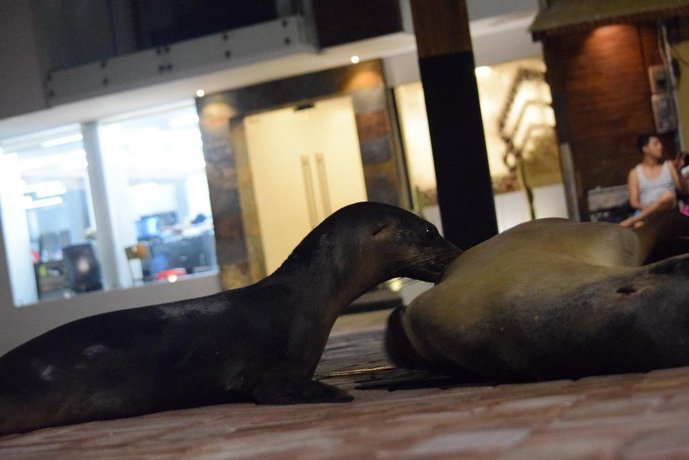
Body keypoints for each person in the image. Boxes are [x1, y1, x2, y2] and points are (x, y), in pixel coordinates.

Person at [620, 133, 687, 227]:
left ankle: (634, 219)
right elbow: (634, 201)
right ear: (645, 149)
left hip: (668, 209)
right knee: (638, 226)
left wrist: (679, 172)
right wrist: (649, 208)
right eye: (655, 144)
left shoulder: (669, 166)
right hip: (648, 213)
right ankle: (639, 219)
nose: (660, 146)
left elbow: (684, 191)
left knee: (668, 196)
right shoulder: (635, 173)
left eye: (660, 143)